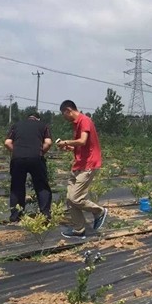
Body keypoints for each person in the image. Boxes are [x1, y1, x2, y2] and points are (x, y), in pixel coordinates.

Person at [56, 100, 107, 239]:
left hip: (88, 164)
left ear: (68, 110)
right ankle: (79, 230)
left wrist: (65, 142)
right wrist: (71, 148)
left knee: (76, 198)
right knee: (69, 199)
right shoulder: (76, 124)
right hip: (79, 164)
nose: (64, 117)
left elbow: (83, 141)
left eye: (63, 114)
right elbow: (82, 145)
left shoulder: (84, 120)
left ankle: (99, 211)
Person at [4, 113, 52, 222]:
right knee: (41, 186)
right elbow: (48, 143)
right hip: (36, 158)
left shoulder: (16, 125)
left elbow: (7, 142)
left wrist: (17, 152)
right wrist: (40, 152)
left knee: (17, 186)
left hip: (18, 159)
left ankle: (16, 216)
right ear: (38, 119)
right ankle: (45, 214)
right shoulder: (43, 125)